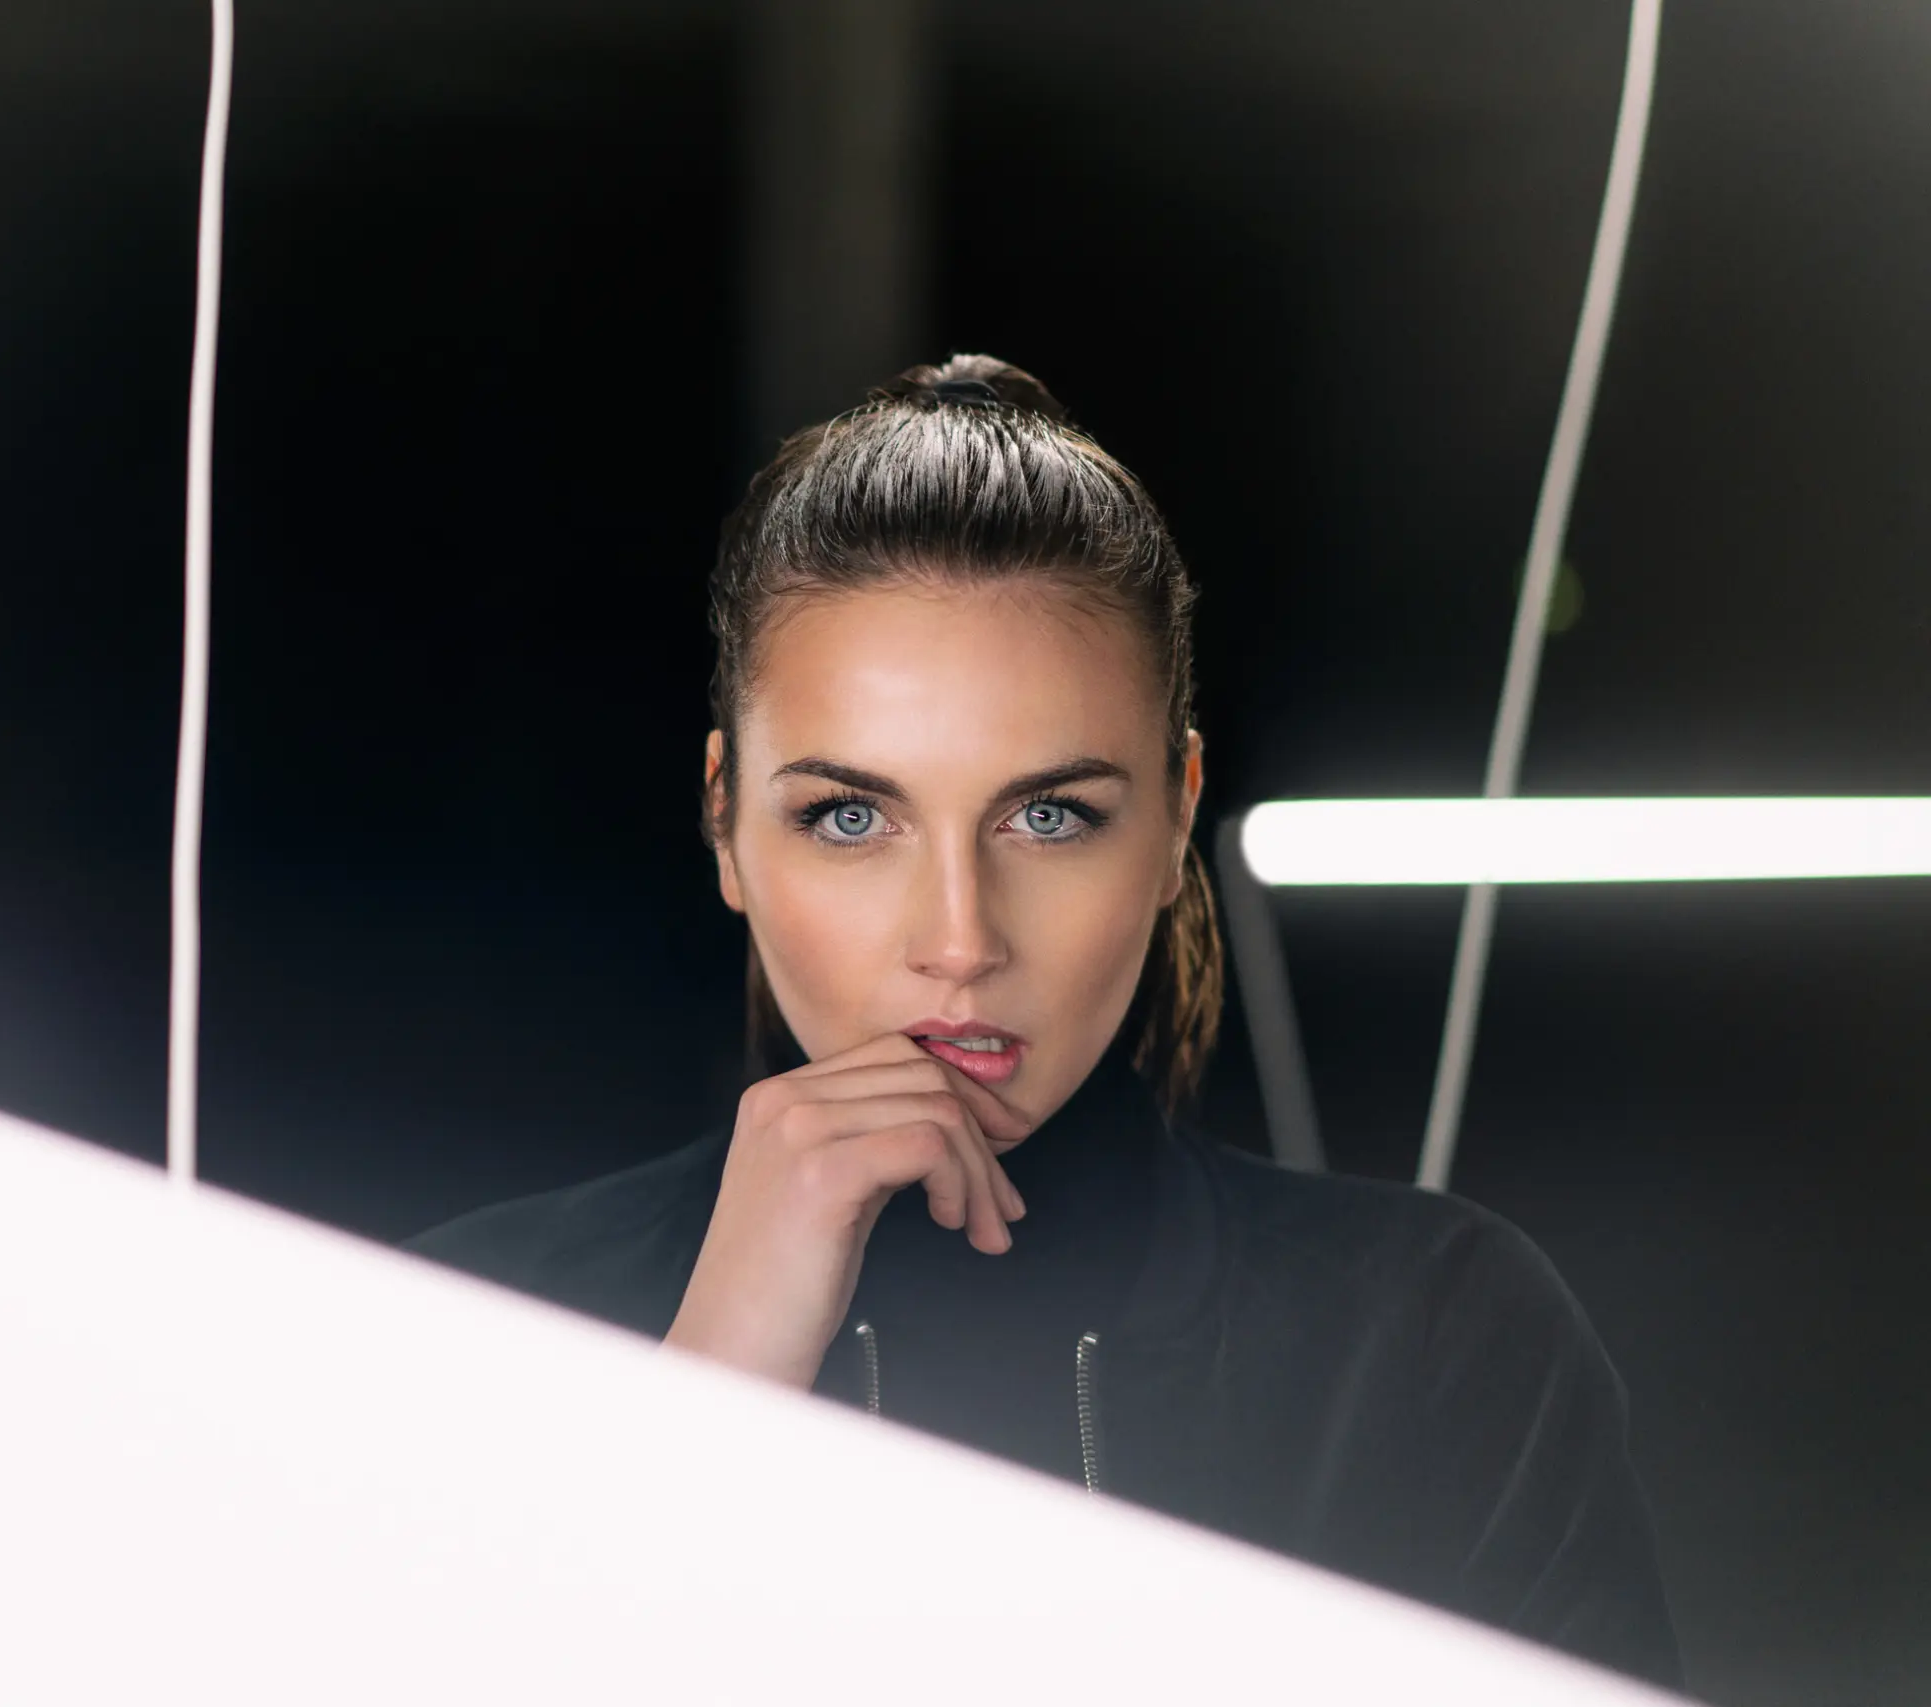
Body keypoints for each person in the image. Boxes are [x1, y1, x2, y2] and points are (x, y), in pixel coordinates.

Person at [404, 354, 1682, 1688]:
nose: (960, 939)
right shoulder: (470, 1331)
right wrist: (707, 1403)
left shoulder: (1432, 1345)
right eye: (851, 815)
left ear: (1179, 812)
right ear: (726, 817)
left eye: (1049, 814)